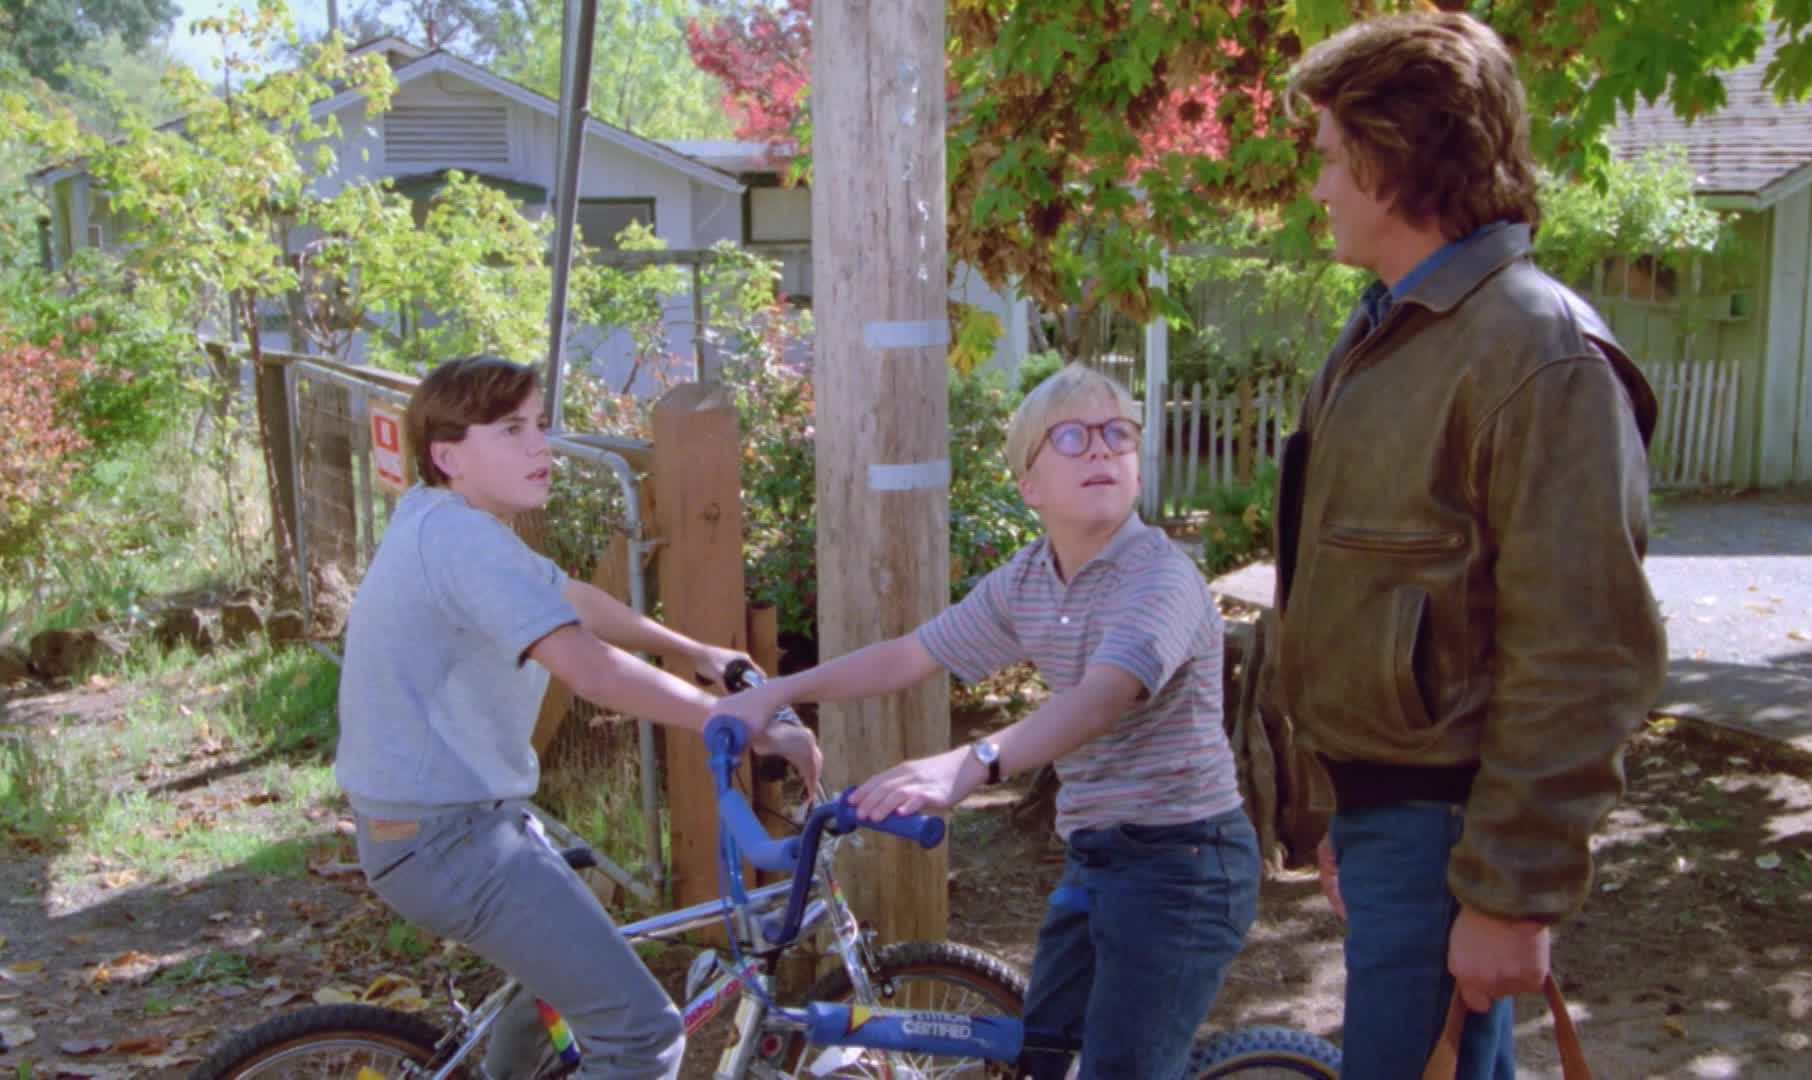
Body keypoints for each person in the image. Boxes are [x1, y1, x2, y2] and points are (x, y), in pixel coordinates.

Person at [1268, 12, 1667, 1078]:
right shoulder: (1387, 332)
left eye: (1331, 158)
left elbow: (1585, 652)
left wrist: (1509, 895)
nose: (1319, 189)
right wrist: (1336, 808)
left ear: (1396, 156)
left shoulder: (1537, 349)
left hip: (1448, 833)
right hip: (1392, 826)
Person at [718, 363, 1260, 1080]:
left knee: (1121, 1067)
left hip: (1184, 860)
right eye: (1071, 436)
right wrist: (777, 691)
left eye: (1117, 433)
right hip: (1096, 850)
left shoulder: (1158, 576)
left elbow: (1103, 696)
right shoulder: (1031, 578)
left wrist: (972, 761)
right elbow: (910, 655)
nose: (1101, 447)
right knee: (1041, 1057)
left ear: (1136, 467)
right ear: (1029, 486)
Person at [334, 356, 821, 1079]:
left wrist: (694, 651)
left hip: (444, 822)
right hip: (448, 840)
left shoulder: (443, 517)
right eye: (511, 430)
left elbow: (569, 596)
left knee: (549, 988)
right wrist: (739, 718)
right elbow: (591, 670)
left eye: (539, 424)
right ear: (448, 455)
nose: (541, 446)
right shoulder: (462, 542)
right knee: (643, 1037)